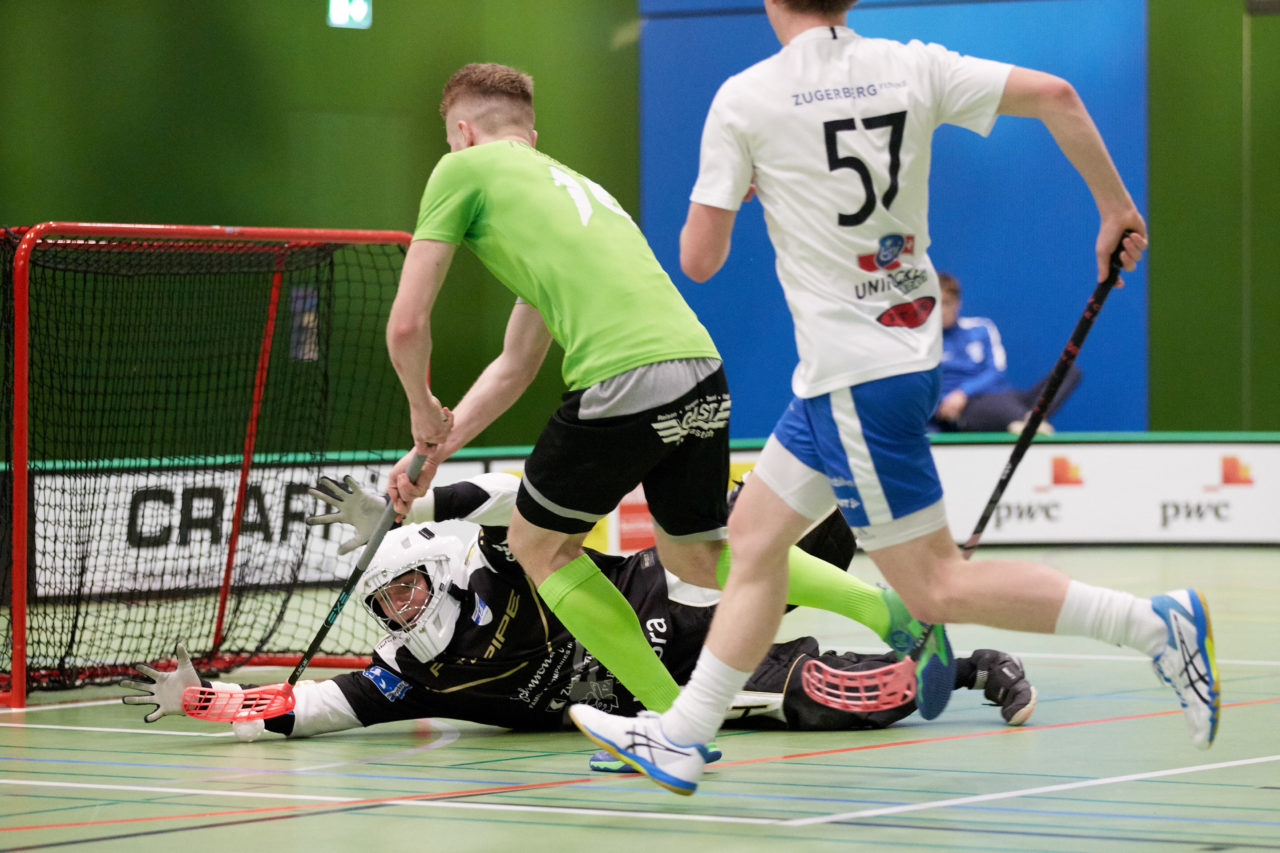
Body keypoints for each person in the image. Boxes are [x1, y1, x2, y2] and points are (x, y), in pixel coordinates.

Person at [568, 0, 1216, 797]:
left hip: (856, 379)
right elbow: (1058, 95)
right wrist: (1116, 209)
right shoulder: (913, 64)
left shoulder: (746, 98)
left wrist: (751, 185)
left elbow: (699, 259)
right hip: (871, 369)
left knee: (934, 586)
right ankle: (682, 735)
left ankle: (1153, 622)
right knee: (756, 539)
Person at [120, 472, 1036, 767]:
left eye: (403, 592)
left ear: (435, 567)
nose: (399, 616)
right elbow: (306, 708)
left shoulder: (495, 550)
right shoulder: (414, 671)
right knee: (818, 694)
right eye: (385, 607)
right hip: (666, 694)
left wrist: (402, 505)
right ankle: (971, 667)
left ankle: (915, 590)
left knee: (786, 524)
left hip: (665, 596)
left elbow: (514, 490)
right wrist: (209, 700)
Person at [381, 61, 734, 725]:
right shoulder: (577, 199)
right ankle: (888, 609)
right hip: (702, 368)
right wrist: (431, 450)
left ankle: (673, 725)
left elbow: (405, 326)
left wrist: (420, 406)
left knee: (538, 545)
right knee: (700, 558)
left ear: (463, 132)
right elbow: (515, 365)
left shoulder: (462, 169)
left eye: (452, 140)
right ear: (532, 138)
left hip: (625, 375)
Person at [931, 272, 1082, 434]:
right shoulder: (922, 341)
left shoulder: (981, 327)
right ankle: (1026, 422)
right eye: (936, 303)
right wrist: (948, 401)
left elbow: (996, 370)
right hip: (966, 408)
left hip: (1004, 396)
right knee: (993, 408)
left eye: (946, 303)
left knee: (1069, 371)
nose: (941, 310)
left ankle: (1028, 418)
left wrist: (963, 392)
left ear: (957, 303)